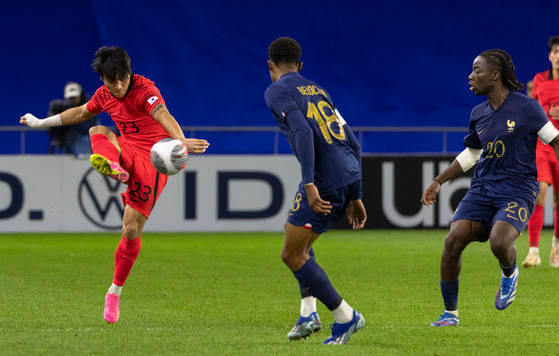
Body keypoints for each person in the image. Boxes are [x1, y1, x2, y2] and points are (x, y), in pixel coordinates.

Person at [20, 46, 210, 324]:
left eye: (123, 78)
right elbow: (80, 113)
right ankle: (115, 170)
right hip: (126, 149)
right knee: (96, 130)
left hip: (154, 159)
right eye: (112, 81)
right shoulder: (104, 95)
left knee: (130, 229)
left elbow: (162, 114)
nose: (119, 85)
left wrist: (181, 142)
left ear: (129, 72)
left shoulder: (144, 89)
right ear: (103, 81)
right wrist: (39, 123)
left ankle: (114, 292)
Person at [421, 49, 559, 327]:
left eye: (476, 70)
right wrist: (438, 181)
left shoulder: (528, 107)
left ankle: (509, 274)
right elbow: (472, 154)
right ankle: (450, 313)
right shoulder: (478, 113)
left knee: (499, 241)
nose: (470, 76)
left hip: (518, 188)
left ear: (495, 75)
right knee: (452, 240)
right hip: (483, 188)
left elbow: (554, 141)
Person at [264, 37, 367, 344]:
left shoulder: (276, 90)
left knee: (292, 254)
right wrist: (357, 193)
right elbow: (354, 142)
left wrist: (309, 182)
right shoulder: (318, 90)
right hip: (347, 171)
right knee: (297, 237)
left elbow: (303, 131)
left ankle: (346, 317)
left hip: (325, 177)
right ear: (301, 65)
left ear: (270, 66)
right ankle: (308, 312)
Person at [523, 36, 559, 268]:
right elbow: (532, 109)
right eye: (555, 52)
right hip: (543, 145)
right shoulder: (539, 80)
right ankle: (533, 251)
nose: (558, 56)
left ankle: (556, 247)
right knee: (540, 192)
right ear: (550, 55)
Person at [47, 82, 100, 155]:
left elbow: (87, 128)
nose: (72, 100)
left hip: (83, 147)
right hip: (64, 147)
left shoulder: (90, 107)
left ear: (80, 95)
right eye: (70, 98)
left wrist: (70, 116)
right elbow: (51, 130)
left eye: (74, 97)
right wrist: (53, 115)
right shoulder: (62, 108)